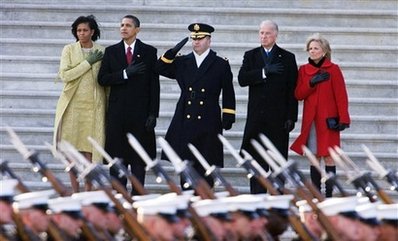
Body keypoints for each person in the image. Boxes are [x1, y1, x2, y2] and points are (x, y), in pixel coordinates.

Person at [156, 23, 236, 189]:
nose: (196, 42)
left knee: (206, 165)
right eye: (193, 39)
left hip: (209, 117)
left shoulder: (220, 63)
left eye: (200, 39)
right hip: (185, 116)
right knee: (186, 165)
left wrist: (228, 115)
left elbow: (228, 91)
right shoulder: (182, 61)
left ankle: (206, 201)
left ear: (209, 40)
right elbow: (159, 68)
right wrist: (169, 54)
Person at [98, 15, 160, 195]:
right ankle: (119, 199)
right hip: (118, 116)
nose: (124, 28)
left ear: (137, 30)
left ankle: (138, 199)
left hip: (140, 116)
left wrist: (153, 114)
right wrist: (125, 73)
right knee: (117, 160)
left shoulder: (149, 52)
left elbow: (154, 85)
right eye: (122, 25)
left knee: (139, 161)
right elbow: (102, 79)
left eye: (128, 25)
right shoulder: (111, 51)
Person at [238, 20, 298, 194]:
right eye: (261, 33)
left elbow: (291, 90)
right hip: (257, 119)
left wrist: (291, 117)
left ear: (275, 35)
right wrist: (263, 72)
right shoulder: (251, 55)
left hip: (278, 119)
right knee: (256, 162)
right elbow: (242, 79)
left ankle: (277, 199)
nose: (263, 36)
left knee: (277, 161)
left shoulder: (287, 57)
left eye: (267, 33)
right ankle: (257, 198)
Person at [290, 33, 350, 197]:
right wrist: (311, 82)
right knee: (314, 158)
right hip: (311, 121)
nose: (312, 51)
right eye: (310, 49)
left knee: (329, 158)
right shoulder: (303, 70)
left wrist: (344, 118)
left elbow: (341, 95)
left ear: (324, 51)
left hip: (328, 121)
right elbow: (298, 94)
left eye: (316, 48)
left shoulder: (334, 69)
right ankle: (316, 194)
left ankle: (329, 194)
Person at [53, 15, 106, 192]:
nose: (81, 33)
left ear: (92, 31)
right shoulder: (68, 49)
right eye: (78, 30)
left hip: (94, 106)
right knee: (72, 152)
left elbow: (105, 80)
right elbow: (65, 75)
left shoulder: (102, 51)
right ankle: (75, 191)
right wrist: (86, 63)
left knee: (90, 151)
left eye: (85, 30)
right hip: (72, 106)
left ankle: (88, 191)